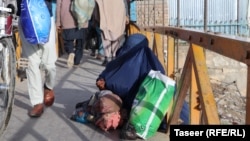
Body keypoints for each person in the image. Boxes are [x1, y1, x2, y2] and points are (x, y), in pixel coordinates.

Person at [17, 0, 57, 117]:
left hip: (44, 15)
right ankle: (37, 103)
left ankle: (48, 87)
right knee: (31, 63)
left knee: (49, 64)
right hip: (25, 17)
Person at [95, 0, 129, 66]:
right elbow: (124, 4)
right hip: (118, 17)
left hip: (105, 18)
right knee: (116, 37)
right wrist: (126, 15)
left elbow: (97, 4)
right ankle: (114, 57)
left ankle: (107, 58)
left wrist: (97, 18)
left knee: (106, 39)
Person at [56, 0, 87, 67]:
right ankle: (77, 61)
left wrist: (58, 21)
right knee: (80, 42)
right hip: (82, 18)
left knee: (68, 40)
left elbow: (58, 6)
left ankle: (71, 52)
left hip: (66, 17)